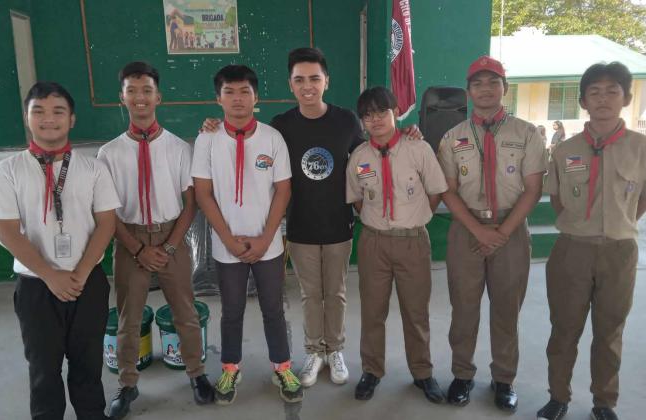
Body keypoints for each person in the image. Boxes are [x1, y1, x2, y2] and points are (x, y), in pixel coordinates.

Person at [199, 48, 423, 388]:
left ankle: (335, 350)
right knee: (309, 295)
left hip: (338, 224)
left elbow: (374, 152)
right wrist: (211, 125)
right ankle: (314, 351)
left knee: (335, 293)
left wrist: (406, 135)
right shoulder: (280, 127)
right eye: (300, 80)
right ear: (290, 84)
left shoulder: (346, 121)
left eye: (314, 79)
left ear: (326, 81)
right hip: (300, 226)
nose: (308, 86)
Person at [0, 82, 121, 420]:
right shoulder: (8, 171)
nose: (49, 119)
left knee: (88, 364)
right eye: (39, 111)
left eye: (58, 111)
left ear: (72, 119)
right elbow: (8, 231)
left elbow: (106, 223)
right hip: (36, 286)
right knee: (43, 369)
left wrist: (81, 273)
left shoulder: (93, 168)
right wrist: (50, 276)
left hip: (87, 282)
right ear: (27, 118)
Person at [98, 61, 214, 419]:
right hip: (129, 239)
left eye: (146, 90)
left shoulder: (178, 147)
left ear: (158, 97)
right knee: (129, 317)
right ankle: (127, 383)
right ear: (122, 98)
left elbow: (190, 203)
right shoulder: (109, 153)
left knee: (186, 312)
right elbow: (108, 212)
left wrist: (168, 247)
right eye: (132, 91)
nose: (140, 97)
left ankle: (196, 373)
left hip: (171, 236)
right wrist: (137, 249)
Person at [537, 62, 646, 420]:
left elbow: (642, 199)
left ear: (626, 98)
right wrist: (580, 227)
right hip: (573, 250)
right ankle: (558, 397)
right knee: (564, 329)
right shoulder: (565, 149)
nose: (603, 99)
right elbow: (557, 199)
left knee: (610, 331)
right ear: (583, 101)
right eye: (594, 92)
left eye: (612, 91)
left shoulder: (641, 147)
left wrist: (620, 223)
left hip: (619, 252)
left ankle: (604, 402)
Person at [437, 56, 546, 412]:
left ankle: (504, 379)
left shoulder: (527, 134)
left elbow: (533, 189)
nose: (485, 89)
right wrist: (478, 231)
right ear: (468, 91)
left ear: (505, 88)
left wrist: (501, 232)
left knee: (506, 309)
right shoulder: (452, 137)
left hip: (510, 229)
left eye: (493, 82)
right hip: (466, 228)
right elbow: (448, 190)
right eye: (478, 83)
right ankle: (462, 374)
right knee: (463, 308)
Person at [192, 64, 303, 405]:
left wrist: (267, 238)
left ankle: (282, 366)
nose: (237, 99)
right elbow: (203, 194)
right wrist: (228, 240)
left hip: (268, 244)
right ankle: (230, 367)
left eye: (245, 92)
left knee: (273, 308)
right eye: (229, 92)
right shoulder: (207, 139)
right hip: (227, 246)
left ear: (256, 98)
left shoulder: (272, 138)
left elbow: (283, 190)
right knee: (232, 310)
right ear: (218, 98)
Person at [346, 86, 448, 403]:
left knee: (416, 312)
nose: (375, 120)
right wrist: (377, 223)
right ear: (362, 121)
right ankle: (371, 370)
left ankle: (422, 372)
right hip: (374, 243)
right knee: (372, 312)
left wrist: (416, 218)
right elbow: (357, 200)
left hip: (412, 242)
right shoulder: (359, 157)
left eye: (382, 112)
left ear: (396, 113)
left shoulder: (419, 148)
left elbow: (435, 191)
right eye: (368, 115)